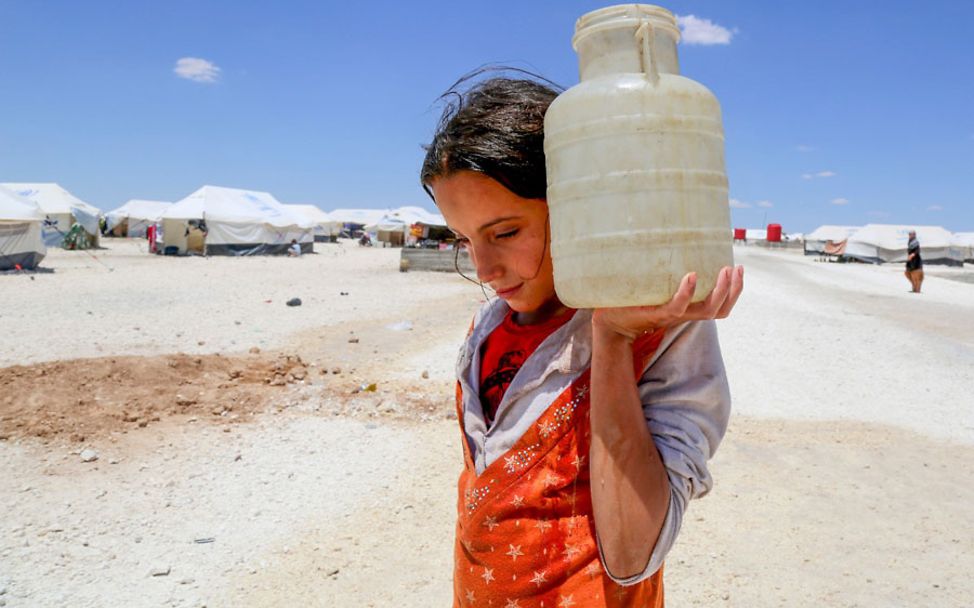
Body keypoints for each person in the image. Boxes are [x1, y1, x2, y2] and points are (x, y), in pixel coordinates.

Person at [421, 75, 743, 607]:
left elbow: (632, 551)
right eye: (463, 240)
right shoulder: (488, 329)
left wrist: (612, 339)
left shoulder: (659, 332)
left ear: (581, 210)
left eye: (504, 233)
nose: (483, 268)